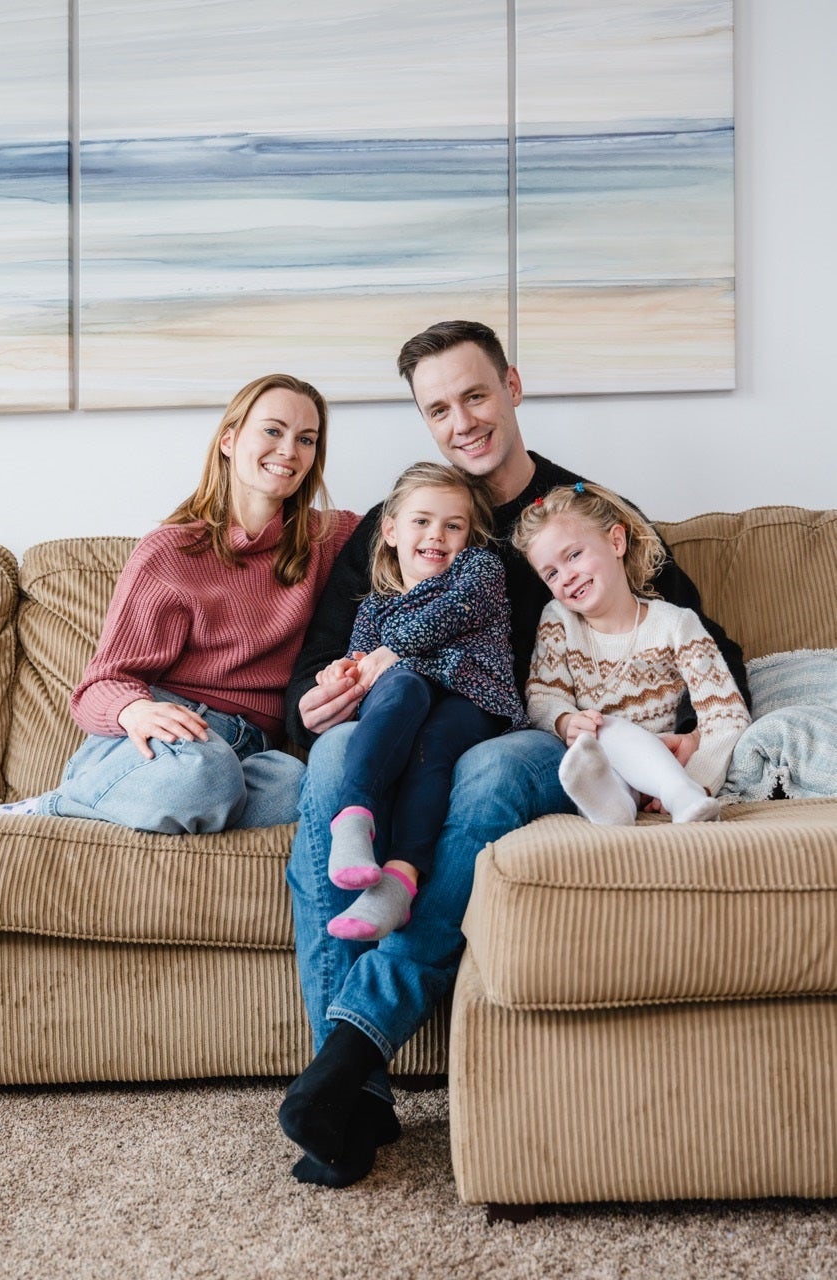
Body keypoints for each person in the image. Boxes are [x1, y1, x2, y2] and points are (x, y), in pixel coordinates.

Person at [279, 320, 750, 1189]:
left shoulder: (582, 514)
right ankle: (361, 1098)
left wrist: (686, 732)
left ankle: (351, 1048)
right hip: (399, 723)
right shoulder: (411, 517)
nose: (461, 421)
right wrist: (312, 703)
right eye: (438, 409)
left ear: (513, 387)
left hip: (531, 734)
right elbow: (318, 662)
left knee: (487, 770)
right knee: (338, 754)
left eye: (475, 394)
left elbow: (697, 634)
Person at [0, 373, 358, 832]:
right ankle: (57, 805)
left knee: (305, 788)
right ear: (229, 439)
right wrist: (135, 710)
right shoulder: (171, 551)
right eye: (273, 430)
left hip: (253, 750)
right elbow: (100, 683)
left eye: (306, 439)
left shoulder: (326, 539)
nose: (289, 450)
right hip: (168, 736)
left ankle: (157, 801)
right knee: (204, 775)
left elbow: (407, 521)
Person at [321, 461, 527, 943]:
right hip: (406, 696)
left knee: (432, 747)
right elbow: (361, 664)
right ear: (390, 531)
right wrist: (344, 670)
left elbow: (446, 617)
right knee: (402, 687)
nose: (437, 534)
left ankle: (400, 880)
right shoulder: (375, 604)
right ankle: (354, 822)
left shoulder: (478, 570)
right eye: (421, 521)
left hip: (471, 693)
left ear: (468, 536)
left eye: (453, 525)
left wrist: (390, 652)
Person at [513, 481, 751, 824]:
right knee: (596, 740)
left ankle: (683, 795)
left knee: (606, 731)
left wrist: (697, 777)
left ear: (616, 541)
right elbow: (543, 695)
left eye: (574, 555)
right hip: (604, 765)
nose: (566, 576)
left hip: (670, 765)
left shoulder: (675, 624)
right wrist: (566, 721)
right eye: (550, 572)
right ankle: (617, 809)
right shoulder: (559, 621)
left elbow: (726, 714)